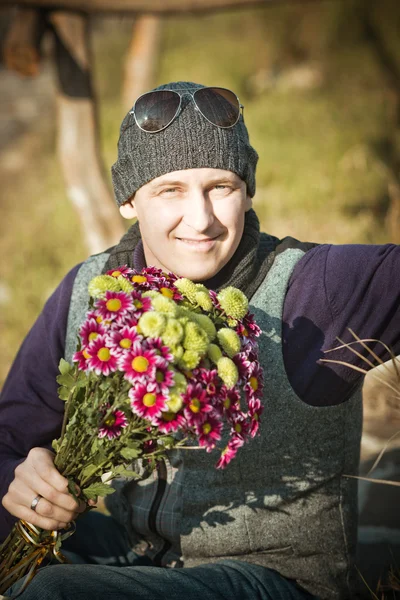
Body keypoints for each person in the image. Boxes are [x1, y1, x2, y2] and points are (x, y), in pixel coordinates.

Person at [1, 81, 399, 600]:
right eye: (171, 190)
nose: (202, 218)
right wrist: (20, 479)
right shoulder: (87, 291)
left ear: (248, 189)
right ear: (128, 199)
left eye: (221, 187)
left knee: (54, 594)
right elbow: (10, 439)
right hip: (133, 554)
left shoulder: (317, 288)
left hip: (274, 580)